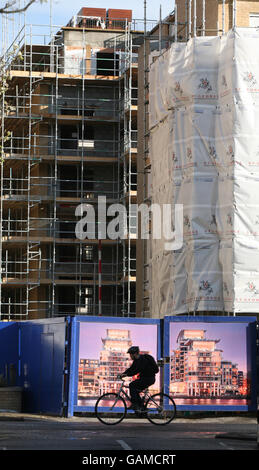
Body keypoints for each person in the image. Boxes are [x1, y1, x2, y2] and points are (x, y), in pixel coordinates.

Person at [121, 346, 159, 412]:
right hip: (145, 379)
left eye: (131, 354)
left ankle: (135, 405)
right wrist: (123, 374)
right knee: (135, 390)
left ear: (135, 354)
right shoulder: (137, 361)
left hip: (149, 379)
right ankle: (141, 406)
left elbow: (136, 370)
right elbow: (131, 369)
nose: (130, 356)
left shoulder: (142, 360)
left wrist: (126, 375)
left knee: (132, 385)